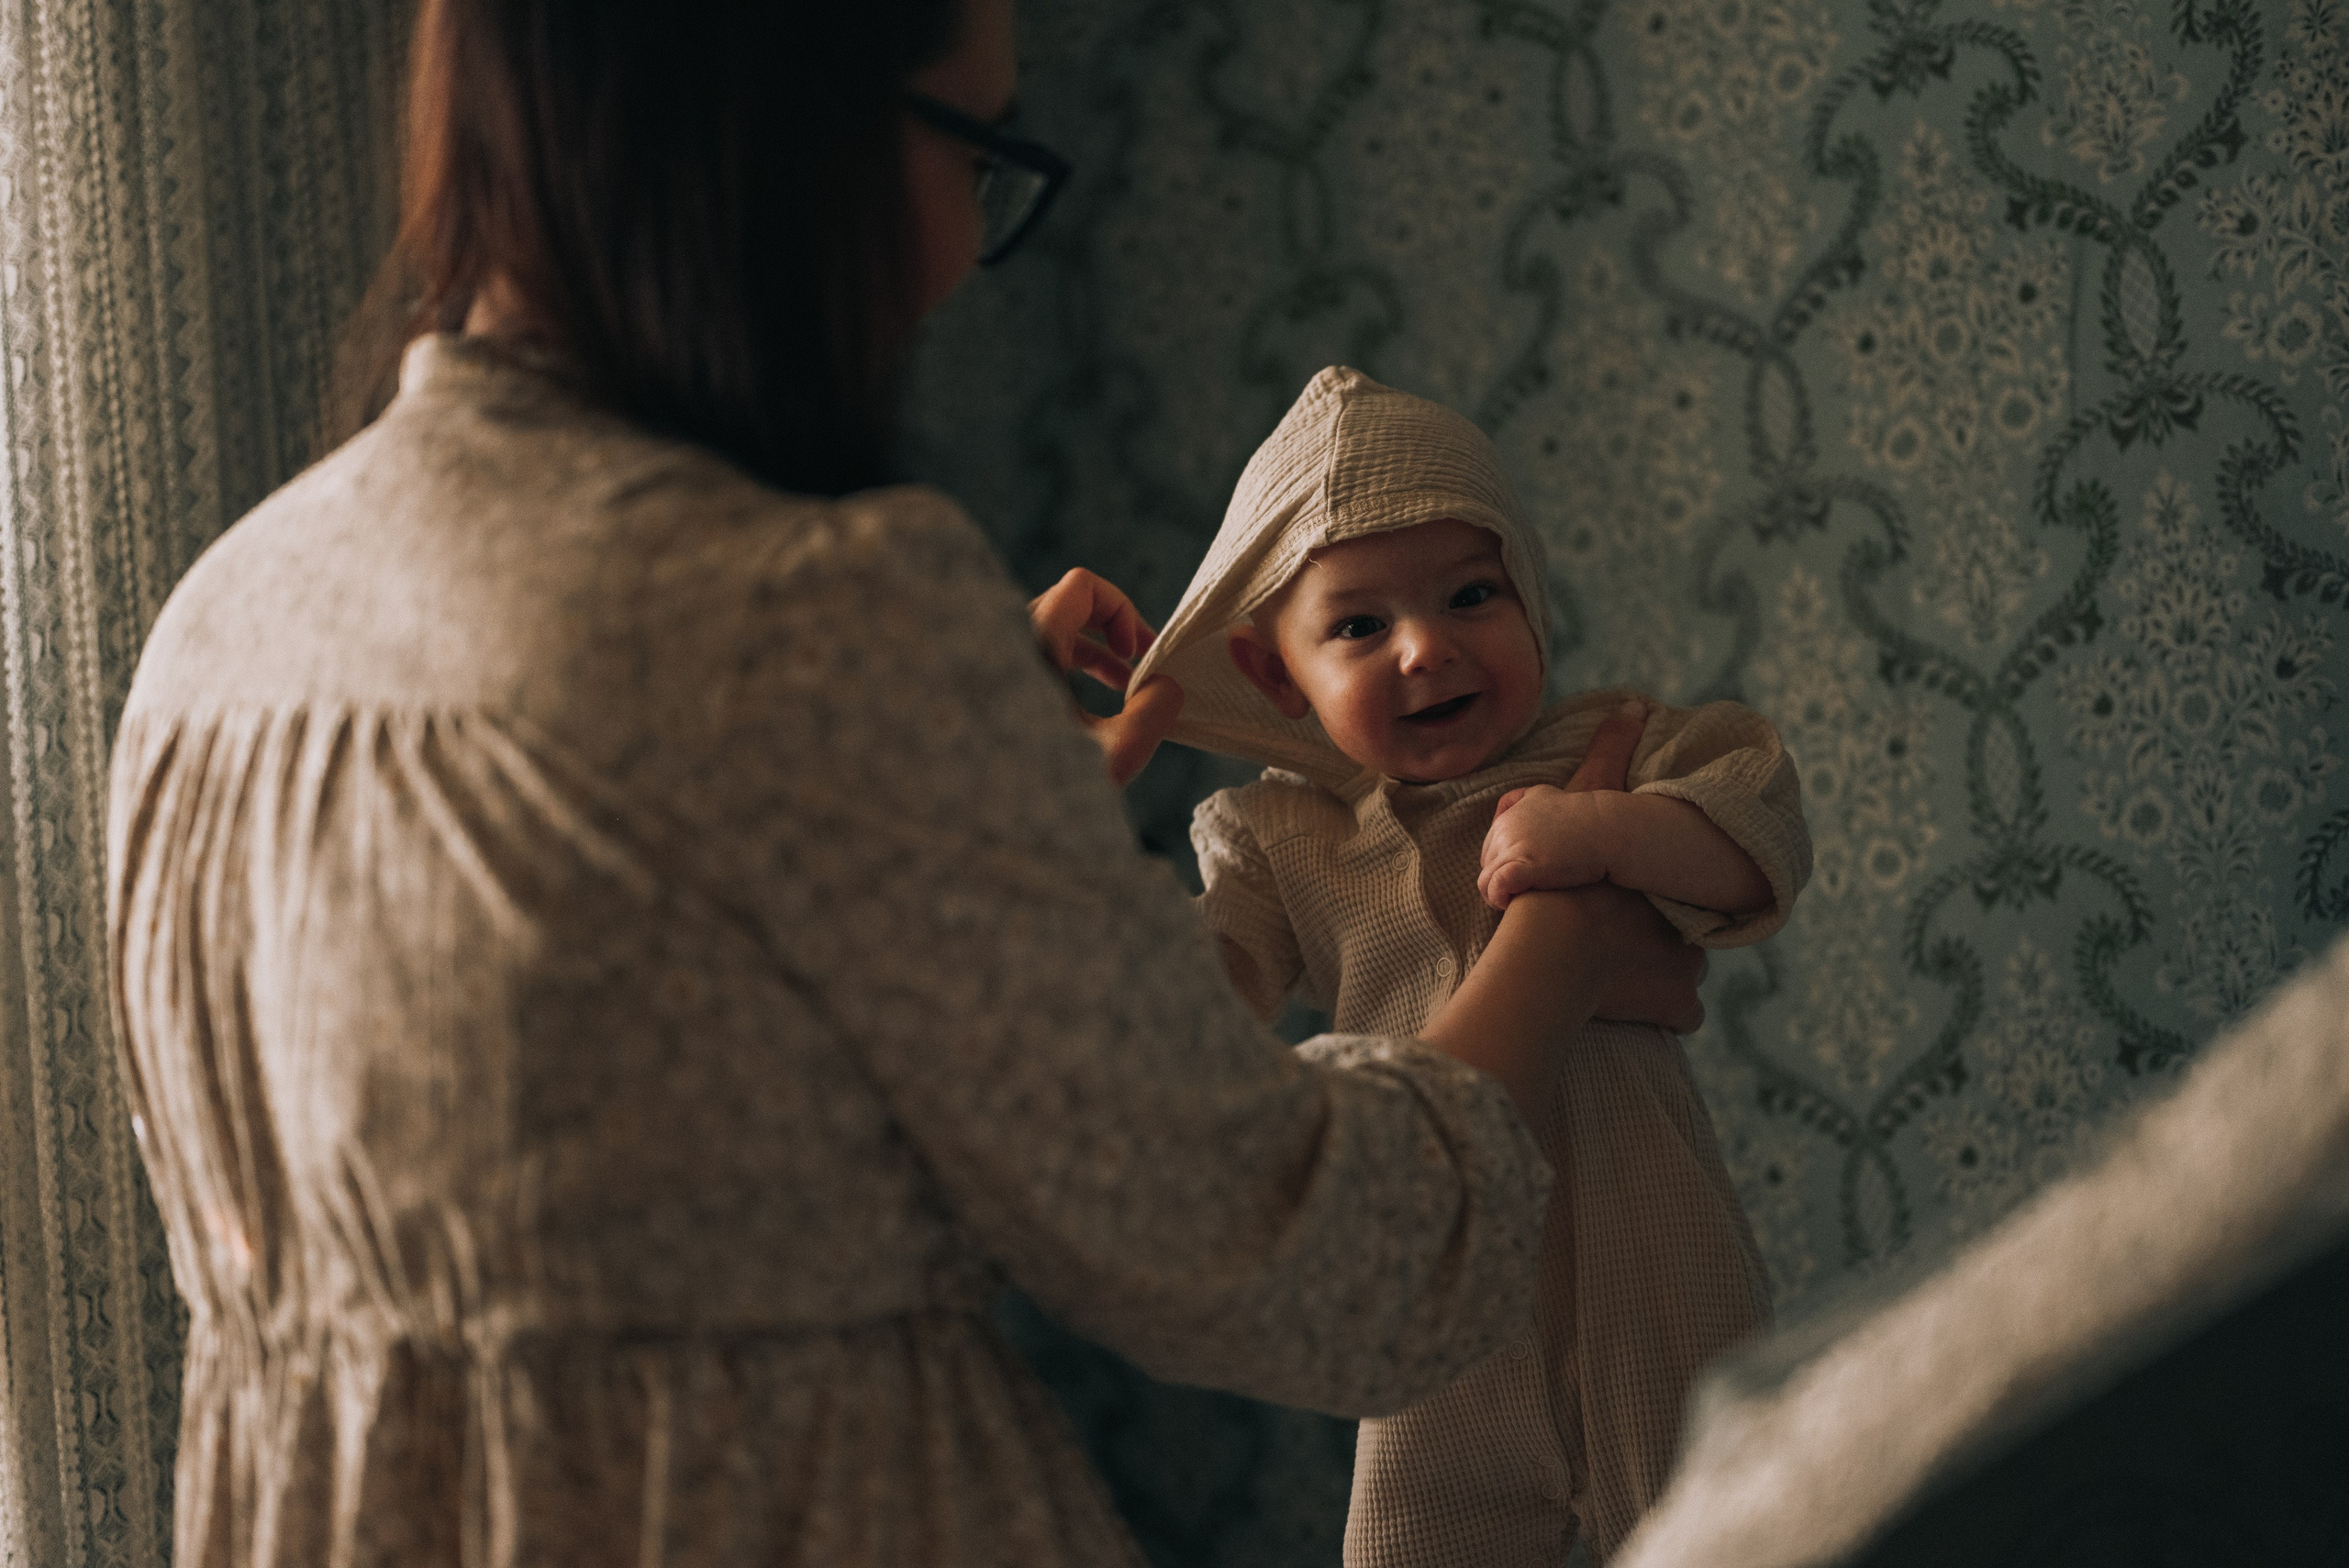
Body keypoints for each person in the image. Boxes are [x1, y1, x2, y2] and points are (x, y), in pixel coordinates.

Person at [102, 3, 1715, 1566]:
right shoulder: (808, 610)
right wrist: (1564, 930)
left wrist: (945, 787)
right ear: (790, 130)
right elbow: (1324, 1263)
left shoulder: (215, 632)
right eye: (977, 151)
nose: (961, 245)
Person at [1125, 366, 1812, 1564]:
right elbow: (1190, 1010)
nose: (1426, 647)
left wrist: (1601, 834)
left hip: (1648, 1247)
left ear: (1531, 600)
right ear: (1279, 672)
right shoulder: (1284, 836)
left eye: (1471, 593)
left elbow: (1758, 824)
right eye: (1359, 625)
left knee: (1733, 1521)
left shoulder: (1615, 748)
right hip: (1443, 1293)